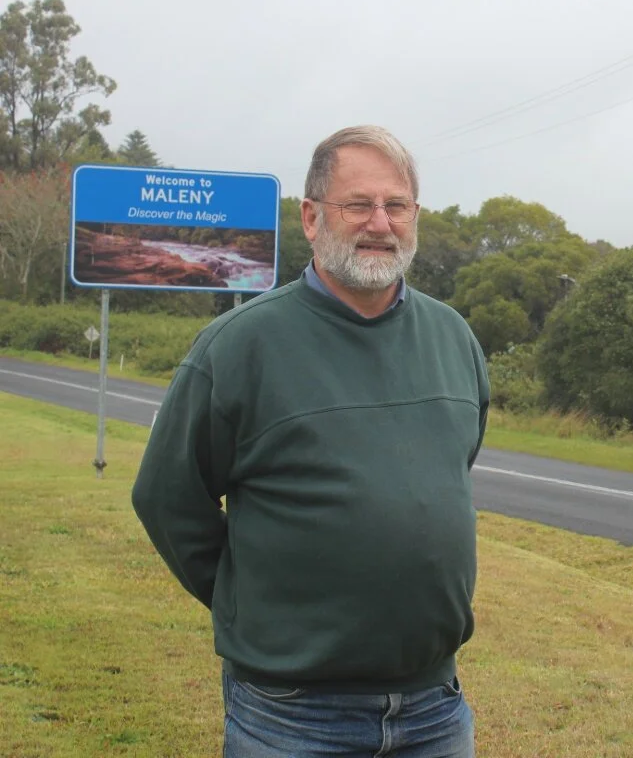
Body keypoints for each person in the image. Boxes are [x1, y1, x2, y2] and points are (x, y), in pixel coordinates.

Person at [132, 125, 489, 757]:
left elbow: (451, 469)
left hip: (435, 710)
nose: (380, 223)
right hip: (292, 718)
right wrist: (249, 602)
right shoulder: (241, 346)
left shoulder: (453, 337)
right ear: (311, 216)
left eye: (397, 205)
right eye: (358, 204)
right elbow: (168, 497)